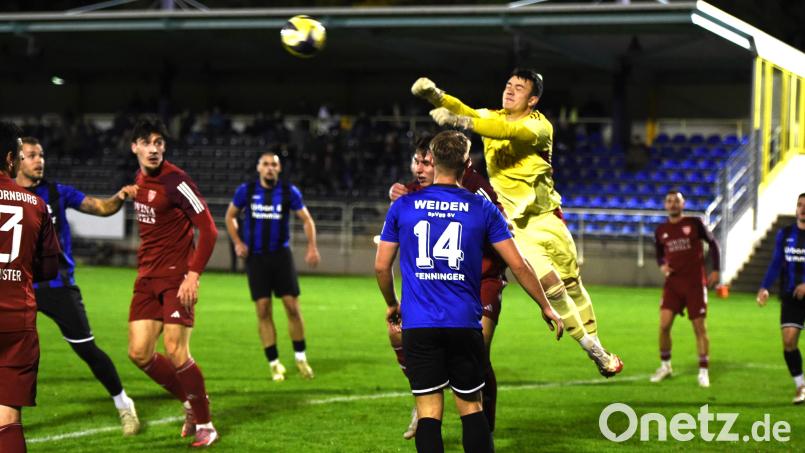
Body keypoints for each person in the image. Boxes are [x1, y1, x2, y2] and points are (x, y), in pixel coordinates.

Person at [412, 69, 622, 377]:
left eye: (519, 88)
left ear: (532, 99)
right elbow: (468, 111)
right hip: (516, 227)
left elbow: (507, 132)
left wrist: (463, 123)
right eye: (508, 85)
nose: (509, 91)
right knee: (551, 286)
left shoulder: (539, 126)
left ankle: (596, 341)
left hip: (548, 217)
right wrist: (436, 96)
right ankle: (592, 348)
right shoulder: (491, 117)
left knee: (573, 284)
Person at [376, 130, 563, 453]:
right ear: (466, 163)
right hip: (463, 322)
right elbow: (519, 265)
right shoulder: (482, 208)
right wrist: (546, 306)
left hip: (419, 324)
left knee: (429, 413)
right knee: (471, 408)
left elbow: (382, 267)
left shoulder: (404, 206)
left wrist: (393, 303)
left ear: (432, 160)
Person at [15, 137, 141, 435]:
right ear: (16, 160)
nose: (39, 160)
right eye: (32, 155)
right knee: (10, 354)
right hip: (18, 286)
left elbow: (100, 207)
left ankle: (124, 404)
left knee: (88, 351)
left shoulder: (58, 192)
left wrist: (120, 196)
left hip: (58, 286)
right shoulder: (5, 194)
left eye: (41, 154)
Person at [388, 135, 508, 439]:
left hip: (482, 279)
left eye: (425, 161)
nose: (419, 168)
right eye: (416, 161)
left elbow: (502, 230)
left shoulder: (476, 190)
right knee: (397, 334)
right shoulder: (413, 195)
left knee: (481, 352)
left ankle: (479, 419)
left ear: (441, 161)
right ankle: (427, 389)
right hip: (443, 290)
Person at [125, 118, 219, 448]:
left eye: (159, 142)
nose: (154, 149)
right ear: (134, 146)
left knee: (176, 351)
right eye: (147, 142)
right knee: (139, 353)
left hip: (177, 277)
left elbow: (208, 228)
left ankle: (206, 424)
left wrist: (193, 275)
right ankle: (191, 403)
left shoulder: (176, 181)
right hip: (146, 277)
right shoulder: (139, 179)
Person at [225, 151, 320, 382]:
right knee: (263, 309)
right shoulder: (246, 191)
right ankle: (274, 363)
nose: (269, 168)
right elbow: (230, 217)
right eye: (265, 164)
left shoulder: (289, 192)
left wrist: (312, 247)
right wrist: (238, 242)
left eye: (273, 165)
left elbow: (306, 219)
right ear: (259, 168)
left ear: (279, 169)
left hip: (280, 256)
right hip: (256, 259)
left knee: (292, 307)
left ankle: (300, 357)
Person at [0, 121, 61, 452]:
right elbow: (50, 267)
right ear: (12, 159)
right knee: (8, 419)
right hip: (17, 322)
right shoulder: (35, 204)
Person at [651, 191, 720, 388]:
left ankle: (703, 371)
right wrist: (662, 265)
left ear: (683, 204)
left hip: (695, 284)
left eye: (676, 201)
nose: (673, 204)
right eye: (669, 201)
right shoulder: (661, 230)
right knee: (664, 326)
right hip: (672, 284)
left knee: (699, 327)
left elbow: (713, 243)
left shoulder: (694, 223)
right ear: (665, 205)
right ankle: (665, 366)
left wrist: (715, 269)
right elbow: (659, 254)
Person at [757, 193, 805, 403]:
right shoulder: (785, 234)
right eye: (800, 205)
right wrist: (764, 287)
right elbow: (777, 262)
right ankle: (800, 386)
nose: (803, 209)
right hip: (791, 295)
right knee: (788, 341)